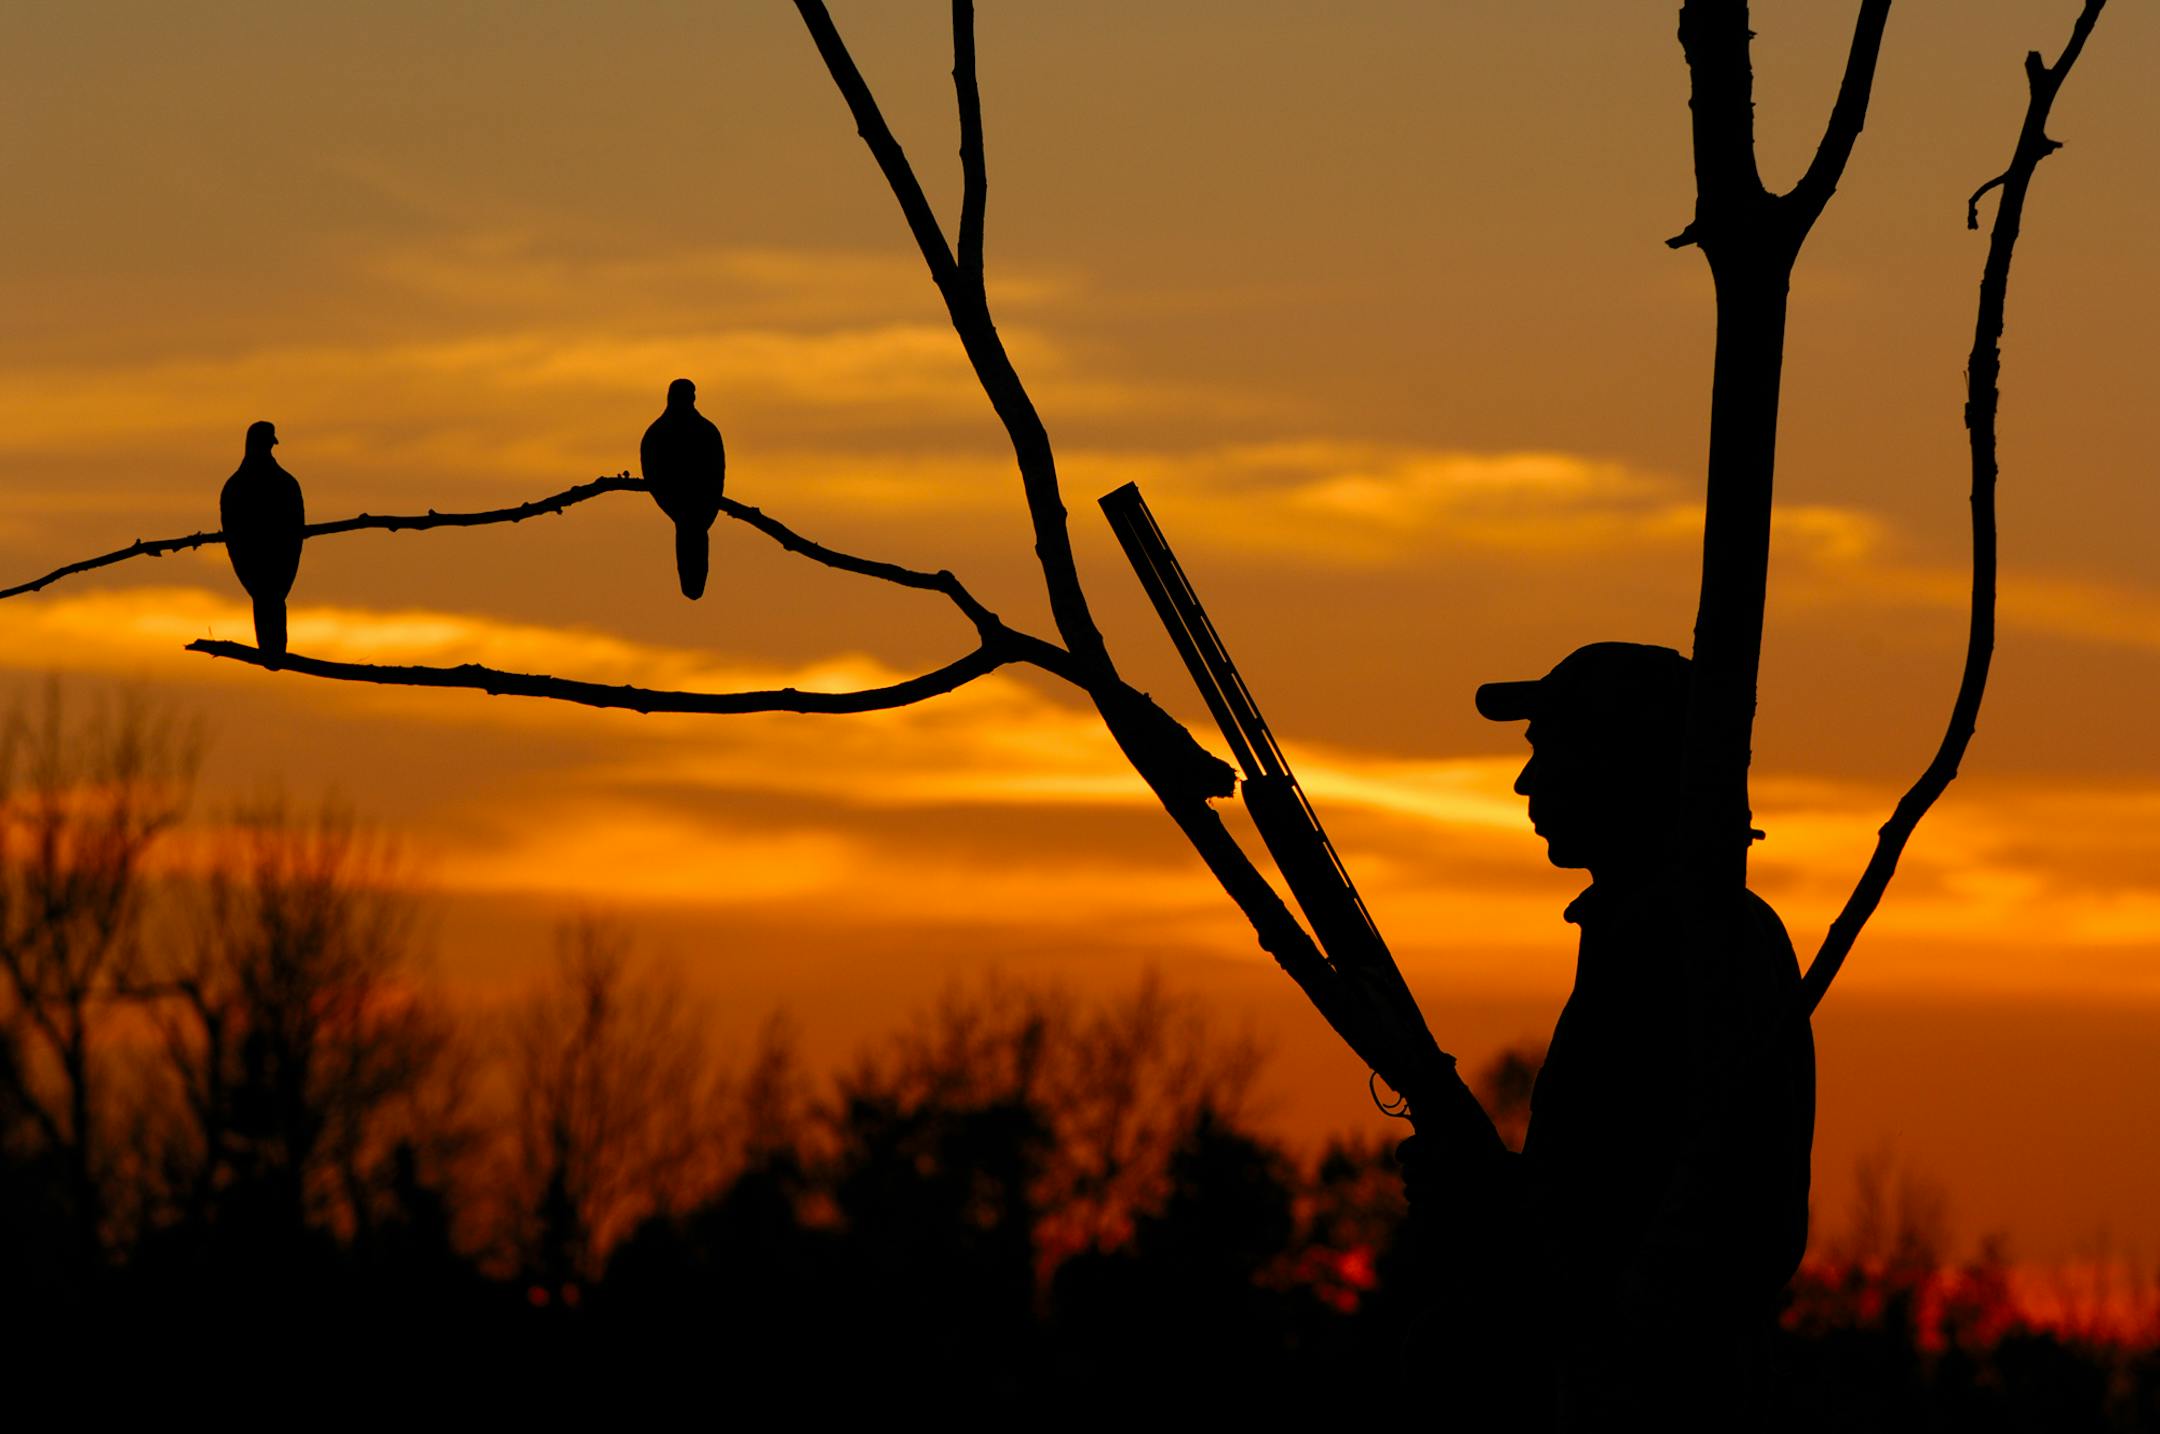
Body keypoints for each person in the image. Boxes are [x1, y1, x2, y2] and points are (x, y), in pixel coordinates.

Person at [1399, 641, 1815, 1431]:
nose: (1527, 781)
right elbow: (1609, 1174)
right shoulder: (1653, 931)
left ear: (1623, 763)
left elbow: (1689, 1206)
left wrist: (1603, 1342)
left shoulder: (1688, 942)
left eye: (1551, 749)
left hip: (1651, 1410)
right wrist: (1490, 1193)